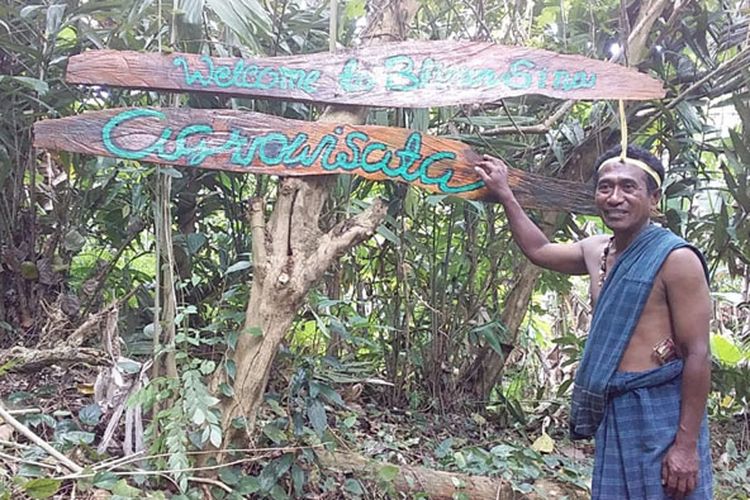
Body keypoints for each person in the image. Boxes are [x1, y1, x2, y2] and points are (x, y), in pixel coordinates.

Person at [474, 145, 712, 500]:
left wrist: (686, 445)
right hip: (616, 408)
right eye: (605, 187)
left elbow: (698, 354)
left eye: (628, 187)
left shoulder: (676, 259)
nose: (615, 197)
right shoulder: (595, 250)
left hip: (660, 410)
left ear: (654, 197)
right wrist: (506, 194)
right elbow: (539, 250)